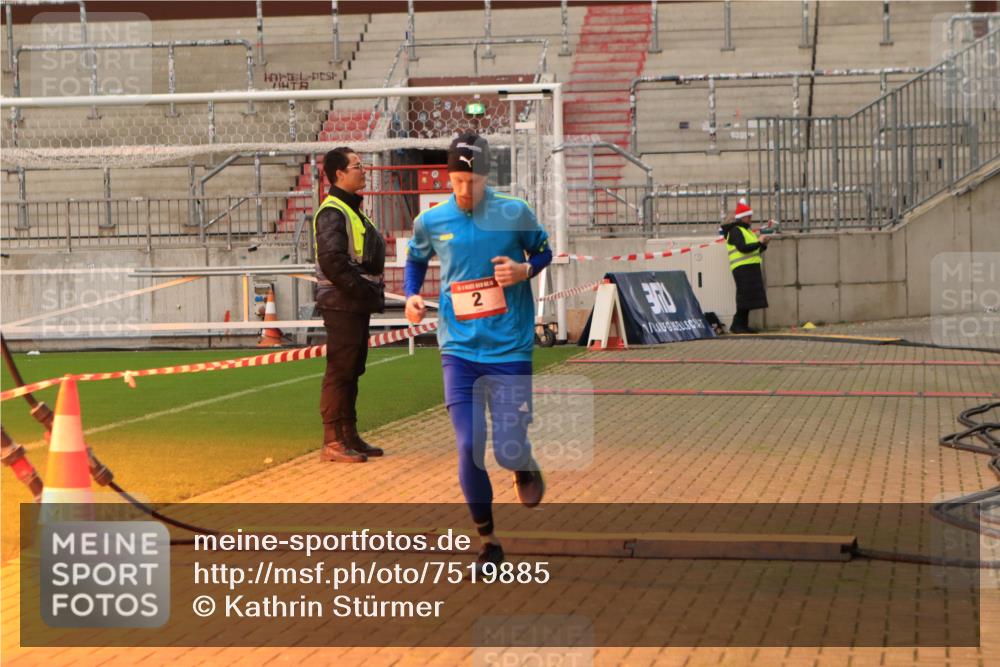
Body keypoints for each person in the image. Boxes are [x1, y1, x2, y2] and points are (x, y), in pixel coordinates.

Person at [403, 133, 552, 572]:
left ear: (486, 177)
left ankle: (521, 463)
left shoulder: (513, 212)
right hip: (459, 350)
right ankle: (487, 539)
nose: (465, 191)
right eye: (457, 181)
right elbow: (415, 259)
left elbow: (543, 251)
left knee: (506, 447)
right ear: (448, 177)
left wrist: (525, 270)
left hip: (509, 347)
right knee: (469, 445)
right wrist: (413, 295)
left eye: (473, 181)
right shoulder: (432, 220)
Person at [313, 147, 387, 463]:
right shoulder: (333, 212)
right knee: (340, 372)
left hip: (352, 303)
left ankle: (349, 435)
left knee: (352, 370)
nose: (364, 170)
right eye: (358, 166)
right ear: (340, 173)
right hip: (342, 303)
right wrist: (361, 291)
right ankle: (333, 441)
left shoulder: (350, 209)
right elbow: (332, 262)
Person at [721, 198, 770, 334]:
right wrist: (759, 242)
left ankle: (742, 325)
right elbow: (743, 248)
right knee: (744, 297)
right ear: (742, 217)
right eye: (748, 216)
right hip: (742, 268)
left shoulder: (746, 231)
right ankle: (737, 325)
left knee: (747, 298)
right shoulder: (736, 231)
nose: (750, 219)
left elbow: (754, 250)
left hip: (749, 268)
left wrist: (763, 245)